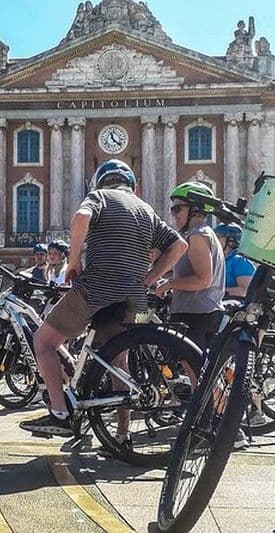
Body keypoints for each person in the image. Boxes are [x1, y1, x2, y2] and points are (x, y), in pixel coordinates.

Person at [19, 159, 188, 438]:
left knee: (44, 342)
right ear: (132, 185)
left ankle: (60, 414)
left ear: (101, 181)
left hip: (97, 287)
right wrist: (149, 277)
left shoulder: (99, 197)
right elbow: (178, 245)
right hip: (131, 295)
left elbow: (81, 218)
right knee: (117, 363)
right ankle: (122, 434)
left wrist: (73, 263)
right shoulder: (146, 209)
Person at [154, 181, 225, 353]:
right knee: (202, 374)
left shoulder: (198, 235)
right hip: (201, 311)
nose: (174, 215)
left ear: (195, 210)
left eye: (177, 209)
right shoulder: (202, 233)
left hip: (196, 314)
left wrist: (170, 284)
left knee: (196, 373)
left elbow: (203, 280)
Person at [214, 223, 256, 299]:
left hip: (232, 306)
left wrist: (212, 292)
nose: (213, 240)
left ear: (231, 241)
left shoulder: (240, 261)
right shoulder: (217, 260)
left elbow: (244, 291)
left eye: (218, 237)